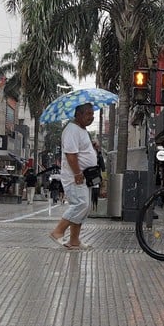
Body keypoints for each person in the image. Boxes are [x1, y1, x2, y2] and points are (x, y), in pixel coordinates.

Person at [48, 103, 98, 250]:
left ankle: (74, 240)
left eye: (92, 114)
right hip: (75, 176)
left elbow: (81, 150)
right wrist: (77, 173)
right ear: (79, 114)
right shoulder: (71, 130)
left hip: (85, 176)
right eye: (88, 114)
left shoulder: (82, 130)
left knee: (84, 208)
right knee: (80, 205)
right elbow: (71, 155)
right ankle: (58, 231)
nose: (91, 117)